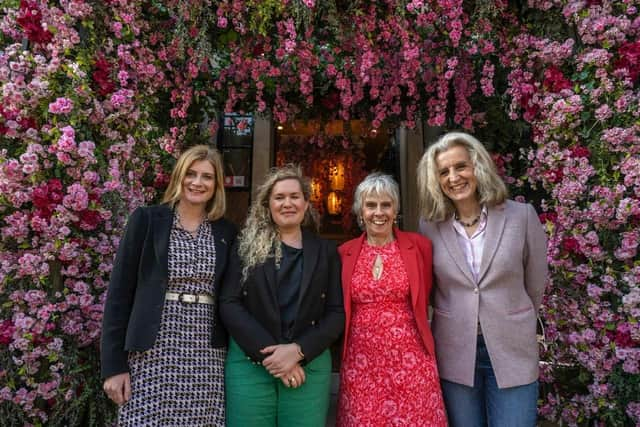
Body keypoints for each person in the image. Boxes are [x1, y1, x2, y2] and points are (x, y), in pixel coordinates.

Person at [417, 131, 549, 427]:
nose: (454, 177)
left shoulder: (521, 216)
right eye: (443, 172)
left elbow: (536, 282)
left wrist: (515, 317)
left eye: (461, 166)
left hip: (512, 347)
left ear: (477, 166)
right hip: (455, 350)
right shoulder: (429, 227)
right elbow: (430, 288)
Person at [101, 145, 236, 426]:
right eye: (191, 174)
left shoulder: (226, 231)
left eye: (207, 177)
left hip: (206, 352)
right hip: (152, 347)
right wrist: (113, 367)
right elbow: (119, 296)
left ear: (216, 185)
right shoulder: (148, 220)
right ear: (179, 177)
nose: (197, 183)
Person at [219, 164, 344, 427]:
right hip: (250, 363)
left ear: (307, 203)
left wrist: (297, 352)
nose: (287, 203)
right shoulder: (245, 246)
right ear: (268, 205)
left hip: (307, 365)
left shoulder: (326, 251)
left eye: (294, 196)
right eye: (279, 197)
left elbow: (336, 313)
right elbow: (229, 303)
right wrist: (274, 358)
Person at [336, 173, 447, 426]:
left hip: (411, 358)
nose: (378, 212)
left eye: (385, 204)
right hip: (361, 361)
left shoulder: (419, 246)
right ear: (360, 211)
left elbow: (428, 293)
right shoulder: (345, 252)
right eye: (371, 205)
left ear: (395, 208)